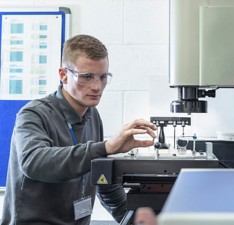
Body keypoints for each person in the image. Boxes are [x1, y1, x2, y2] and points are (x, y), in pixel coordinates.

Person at [1, 34, 157, 225]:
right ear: (63, 74)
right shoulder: (34, 114)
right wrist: (106, 147)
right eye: (86, 77)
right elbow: (34, 162)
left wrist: (134, 219)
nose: (97, 86)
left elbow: (104, 182)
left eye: (103, 77)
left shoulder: (92, 115)